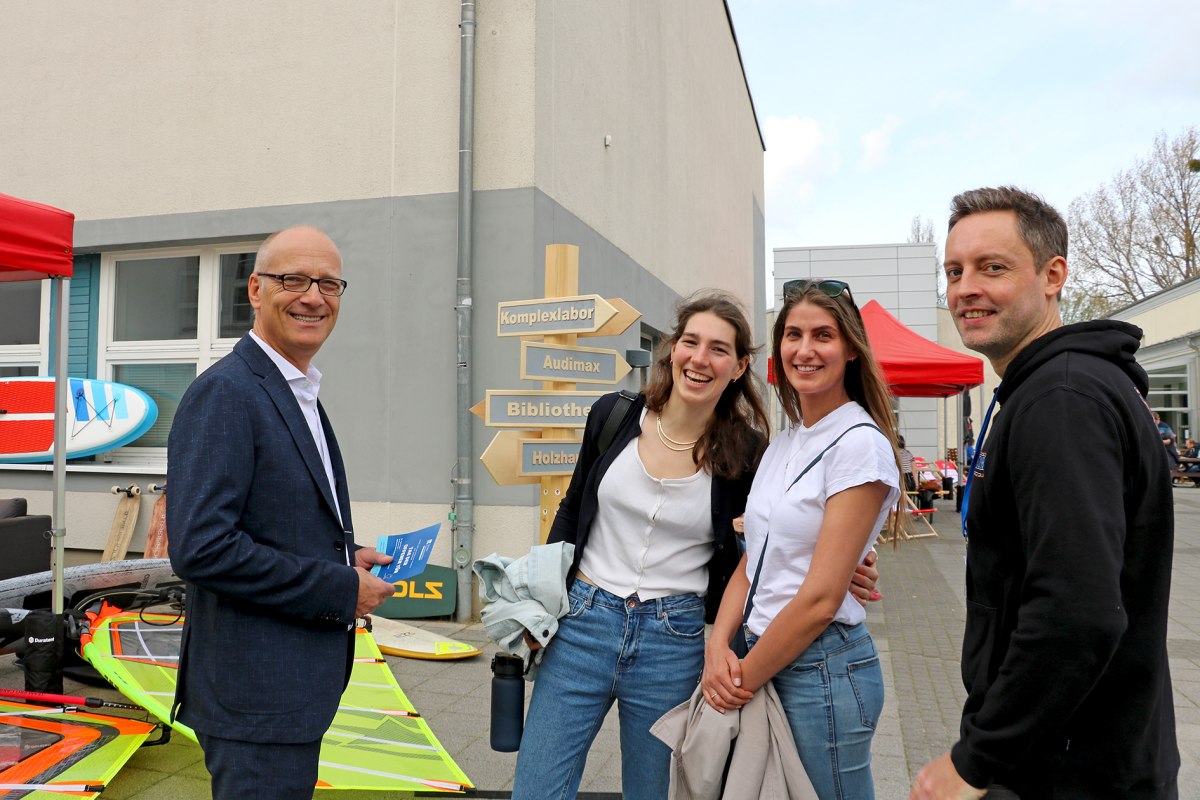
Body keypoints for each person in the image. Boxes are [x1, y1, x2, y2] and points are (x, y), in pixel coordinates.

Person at [511, 291, 880, 800]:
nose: (700, 359)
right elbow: (572, 512)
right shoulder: (613, 416)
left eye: (719, 349)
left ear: (739, 366)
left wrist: (849, 564)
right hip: (581, 623)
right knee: (537, 789)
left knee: (657, 792)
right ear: (672, 349)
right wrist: (538, 606)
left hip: (674, 637)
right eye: (691, 342)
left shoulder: (751, 452)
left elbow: (775, 536)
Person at [912, 187, 1178, 799]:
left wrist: (976, 760)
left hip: (1066, 770)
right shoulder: (1056, 388)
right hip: (1080, 755)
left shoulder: (1062, 400)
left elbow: (1076, 610)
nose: (965, 289)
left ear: (1053, 274)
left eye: (992, 267)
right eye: (954, 271)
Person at [168, 226, 396, 800]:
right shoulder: (227, 392)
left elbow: (273, 518)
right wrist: (340, 587)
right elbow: (202, 549)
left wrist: (345, 554)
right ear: (254, 289)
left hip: (285, 689)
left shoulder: (293, 388)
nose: (313, 297)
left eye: (328, 283)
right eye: (292, 279)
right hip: (255, 697)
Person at [703, 278, 902, 800]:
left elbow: (819, 600)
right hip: (762, 653)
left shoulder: (859, 445)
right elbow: (754, 562)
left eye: (823, 335)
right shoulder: (785, 442)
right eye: (793, 334)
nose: (805, 349)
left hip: (822, 670)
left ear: (851, 349)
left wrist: (739, 680)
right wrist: (717, 646)